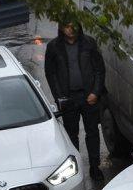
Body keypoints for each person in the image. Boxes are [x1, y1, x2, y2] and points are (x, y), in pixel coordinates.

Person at [45, 20, 106, 181]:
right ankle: (75, 170)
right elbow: (50, 74)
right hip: (68, 98)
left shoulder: (89, 43)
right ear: (61, 28)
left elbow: (99, 69)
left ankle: (95, 166)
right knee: (71, 135)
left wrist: (95, 92)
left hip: (89, 97)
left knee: (92, 132)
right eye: (67, 26)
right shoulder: (54, 47)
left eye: (73, 26)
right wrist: (59, 97)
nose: (70, 30)